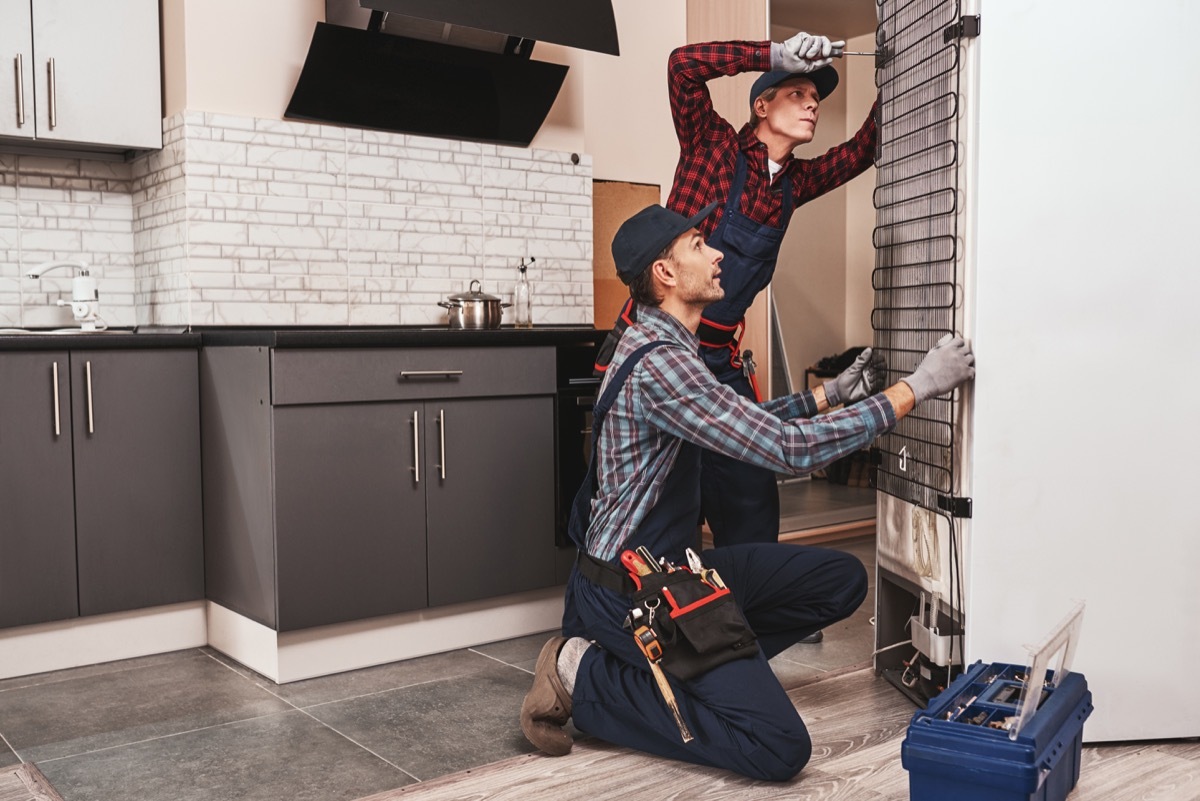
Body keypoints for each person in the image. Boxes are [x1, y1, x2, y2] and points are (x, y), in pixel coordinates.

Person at [519, 204, 975, 781]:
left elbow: (742, 422)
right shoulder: (663, 365)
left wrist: (829, 395)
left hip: (675, 571)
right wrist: (916, 389)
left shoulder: (667, 348)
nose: (717, 255)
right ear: (665, 274)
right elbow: (786, 450)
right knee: (778, 745)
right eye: (699, 244)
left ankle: (709, 664)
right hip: (633, 594)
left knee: (841, 581)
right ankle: (584, 673)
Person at [595, 32, 878, 548]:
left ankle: (759, 598)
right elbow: (682, 65)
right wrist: (771, 55)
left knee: (751, 489)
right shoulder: (714, 147)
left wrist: (902, 65)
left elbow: (862, 150)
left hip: (720, 360)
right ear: (761, 103)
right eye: (797, 92)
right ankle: (649, 612)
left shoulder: (794, 185)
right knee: (660, 498)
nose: (812, 103)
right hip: (658, 346)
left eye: (816, 99)